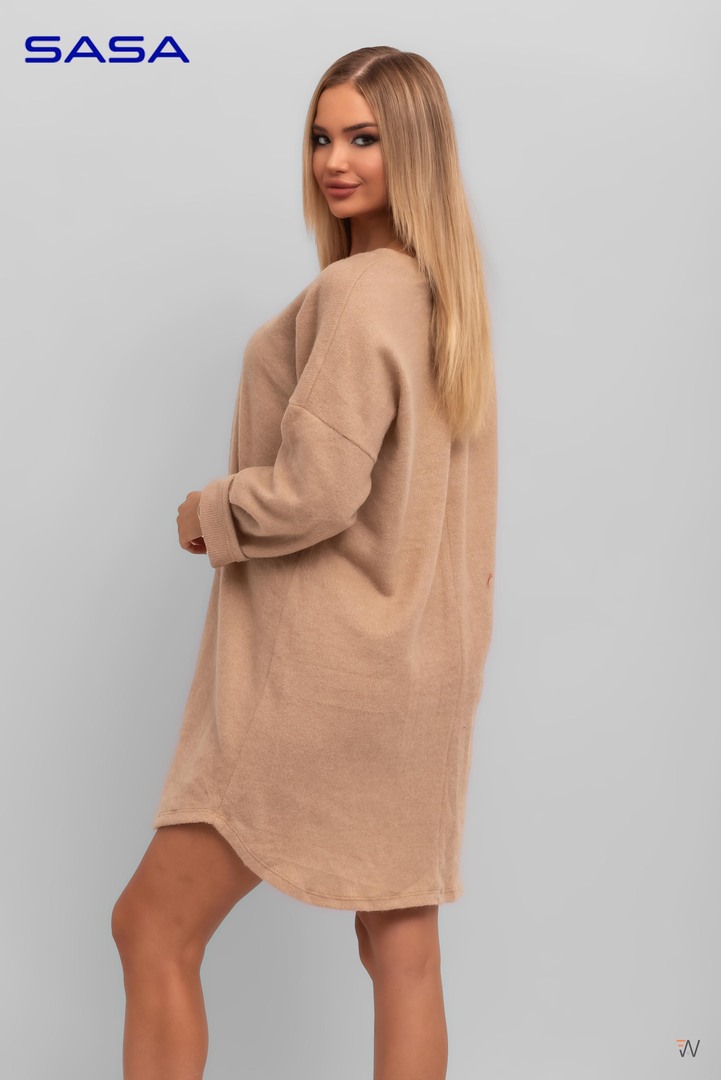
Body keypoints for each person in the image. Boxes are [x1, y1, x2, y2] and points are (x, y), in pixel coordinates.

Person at [111, 45, 498, 1080]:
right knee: (400, 949)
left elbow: (317, 491)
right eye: (322, 137)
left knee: (151, 926)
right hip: (420, 672)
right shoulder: (444, 300)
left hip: (319, 673)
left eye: (364, 138)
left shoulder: (360, 291)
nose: (335, 161)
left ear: (413, 149)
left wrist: (208, 514)